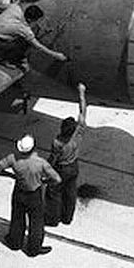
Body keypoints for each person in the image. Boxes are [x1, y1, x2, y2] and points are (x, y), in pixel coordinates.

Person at [0, 134, 61, 256]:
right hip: (34, 195)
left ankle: (15, 242)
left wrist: (12, 176)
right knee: (36, 223)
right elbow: (57, 179)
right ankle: (33, 249)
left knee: (17, 218)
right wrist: (44, 182)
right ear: (34, 148)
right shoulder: (41, 163)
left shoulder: (12, 158)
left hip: (19, 192)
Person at [45, 83, 88, 226]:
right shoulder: (78, 132)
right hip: (74, 167)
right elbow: (83, 110)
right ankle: (67, 218)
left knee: (54, 192)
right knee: (70, 192)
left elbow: (53, 158)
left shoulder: (57, 142)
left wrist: (46, 170)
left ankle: (53, 219)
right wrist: (81, 92)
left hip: (61, 169)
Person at [0, 3, 67, 68]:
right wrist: (56, 55)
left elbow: (0, 6)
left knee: (19, 37)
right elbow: (39, 46)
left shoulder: (15, 7)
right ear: (30, 19)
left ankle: (0, 51)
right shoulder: (23, 29)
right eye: (38, 20)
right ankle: (4, 59)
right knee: (24, 43)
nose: (39, 22)